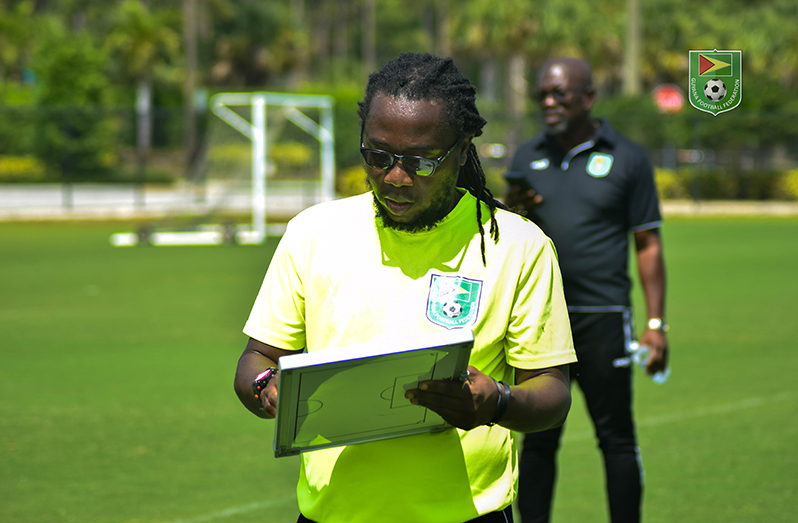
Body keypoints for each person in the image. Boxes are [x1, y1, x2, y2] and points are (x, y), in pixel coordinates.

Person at [234, 52, 578, 523]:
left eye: (420, 162)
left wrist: (495, 400)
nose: (395, 178)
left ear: (461, 150)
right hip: (333, 514)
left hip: (464, 514)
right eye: (378, 156)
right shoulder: (313, 232)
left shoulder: (518, 245)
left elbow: (552, 393)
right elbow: (257, 358)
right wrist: (265, 387)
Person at [504, 57, 669, 523]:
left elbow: (648, 243)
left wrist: (655, 325)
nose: (549, 103)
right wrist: (511, 210)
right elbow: (511, 235)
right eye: (542, 95)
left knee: (616, 438)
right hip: (540, 319)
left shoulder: (628, 157)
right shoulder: (526, 156)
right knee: (537, 437)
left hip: (604, 318)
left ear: (589, 98)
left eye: (561, 94)